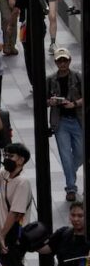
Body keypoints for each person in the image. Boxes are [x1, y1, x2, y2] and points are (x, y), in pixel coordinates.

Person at [48, 47, 84, 202]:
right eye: (59, 61)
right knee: (65, 156)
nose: (62, 63)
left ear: (69, 60)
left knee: (80, 153)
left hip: (77, 119)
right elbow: (43, 99)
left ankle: (70, 172)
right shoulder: (50, 79)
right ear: (56, 62)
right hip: (60, 121)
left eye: (65, 60)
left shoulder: (78, 77)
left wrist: (74, 104)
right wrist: (51, 102)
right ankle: (70, 187)